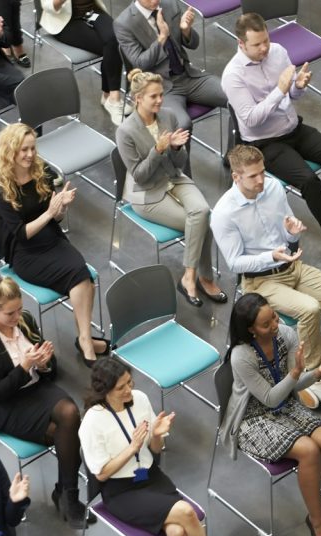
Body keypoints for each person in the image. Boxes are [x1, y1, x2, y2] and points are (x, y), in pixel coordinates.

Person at [79, 359, 247, 536]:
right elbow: (101, 473)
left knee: (179, 534)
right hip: (121, 492)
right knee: (186, 511)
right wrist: (132, 448)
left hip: (150, 478)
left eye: (130, 383)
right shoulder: (92, 422)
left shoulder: (141, 399)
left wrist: (156, 436)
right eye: (121, 387)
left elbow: (153, 449)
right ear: (104, 390)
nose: (129, 390)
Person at [212, 144, 321, 410]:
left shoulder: (273, 187)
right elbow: (234, 262)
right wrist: (270, 257)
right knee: (310, 309)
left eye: (262, 171)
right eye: (253, 176)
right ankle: (314, 375)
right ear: (236, 177)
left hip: (292, 267)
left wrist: (293, 234)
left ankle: (317, 363)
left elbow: (288, 231)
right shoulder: (223, 213)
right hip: (261, 281)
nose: (261, 179)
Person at [218, 294, 321, 536]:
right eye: (266, 324)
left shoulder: (286, 336)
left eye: (274, 317)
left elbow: (293, 387)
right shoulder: (241, 356)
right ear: (250, 329)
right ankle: (317, 521)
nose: (275, 325)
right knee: (309, 451)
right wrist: (295, 373)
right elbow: (268, 398)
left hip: (286, 404)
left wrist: (318, 372)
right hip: (253, 418)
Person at [0, 274, 91, 529]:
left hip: (35, 389)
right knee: (66, 428)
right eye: (10, 313)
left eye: (20, 309)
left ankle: (67, 493)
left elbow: (50, 371)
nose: (17, 317)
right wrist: (25, 366)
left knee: (70, 414)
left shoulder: (25, 322)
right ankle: (67, 495)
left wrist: (43, 365)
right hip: (6, 405)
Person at [222, 13, 321, 243]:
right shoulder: (233, 76)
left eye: (266, 41)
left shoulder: (278, 51)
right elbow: (251, 119)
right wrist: (280, 91)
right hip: (266, 143)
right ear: (240, 44)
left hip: (293, 129)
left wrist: (297, 88)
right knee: (309, 180)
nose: (264, 48)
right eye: (257, 44)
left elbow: (291, 94)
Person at [0, 123, 109, 367]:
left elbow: (56, 218)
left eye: (32, 148)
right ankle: (86, 341)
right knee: (78, 274)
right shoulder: (1, 191)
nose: (30, 154)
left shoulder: (41, 170)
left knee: (83, 276)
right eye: (23, 150)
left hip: (51, 238)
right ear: (10, 151)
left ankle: (84, 337)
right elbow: (21, 235)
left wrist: (61, 207)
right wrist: (48, 213)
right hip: (26, 253)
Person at [116, 68, 224, 307]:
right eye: (153, 96)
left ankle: (189, 277)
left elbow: (180, 164)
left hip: (174, 179)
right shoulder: (125, 132)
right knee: (199, 221)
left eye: (161, 95)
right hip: (148, 193)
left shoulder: (168, 116)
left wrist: (175, 149)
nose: (159, 100)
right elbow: (140, 177)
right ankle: (202, 278)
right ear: (138, 99)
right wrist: (158, 150)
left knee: (203, 212)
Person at [114, 0, 225, 131]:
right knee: (181, 126)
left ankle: (245, 149)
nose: (155, 1)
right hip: (160, 87)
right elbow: (140, 63)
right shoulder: (123, 23)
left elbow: (193, 44)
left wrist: (186, 30)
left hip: (188, 75)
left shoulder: (170, 4)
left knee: (238, 96)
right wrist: (162, 38)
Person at [39, 0, 123, 124]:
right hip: (67, 22)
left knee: (116, 38)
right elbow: (48, 6)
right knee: (111, 47)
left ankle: (108, 96)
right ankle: (113, 98)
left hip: (92, 12)